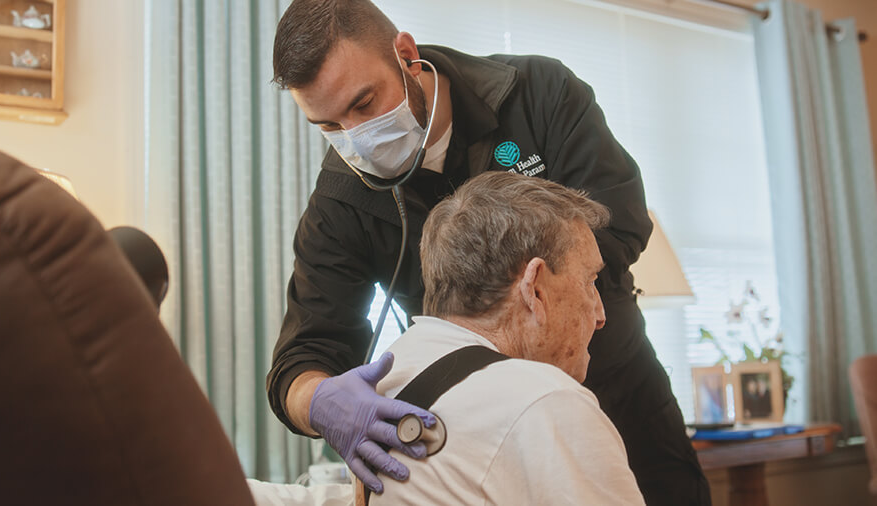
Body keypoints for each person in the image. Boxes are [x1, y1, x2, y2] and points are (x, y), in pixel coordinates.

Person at [266, 1, 710, 504]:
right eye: (328, 126)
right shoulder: (343, 198)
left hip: (615, 384)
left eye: (365, 103)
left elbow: (620, 220)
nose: (356, 138)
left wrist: (521, 316)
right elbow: (303, 356)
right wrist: (319, 400)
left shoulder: (539, 93)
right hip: (481, 435)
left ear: (406, 55)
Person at [369, 172, 644, 504]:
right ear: (535, 288)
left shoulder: (389, 378)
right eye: (589, 282)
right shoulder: (546, 401)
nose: (600, 315)